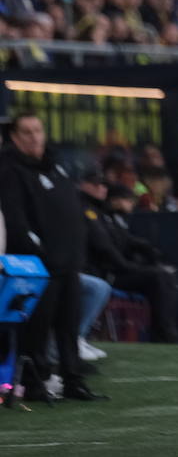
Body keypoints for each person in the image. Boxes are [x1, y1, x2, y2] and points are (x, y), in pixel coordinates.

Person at [0, 112, 106, 402]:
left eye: (38, 130)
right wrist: (38, 252)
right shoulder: (10, 170)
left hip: (68, 261)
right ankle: (36, 383)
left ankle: (73, 380)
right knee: (37, 328)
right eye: (27, 132)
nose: (35, 137)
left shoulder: (54, 166)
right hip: (38, 266)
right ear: (15, 137)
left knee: (69, 326)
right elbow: (15, 219)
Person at [80, 173, 178, 343]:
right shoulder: (90, 212)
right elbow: (104, 248)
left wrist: (150, 252)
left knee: (166, 275)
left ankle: (167, 330)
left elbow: (128, 240)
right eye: (97, 185)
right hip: (108, 272)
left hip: (121, 268)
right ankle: (164, 333)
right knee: (157, 276)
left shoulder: (110, 216)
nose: (102, 189)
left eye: (104, 186)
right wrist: (127, 266)